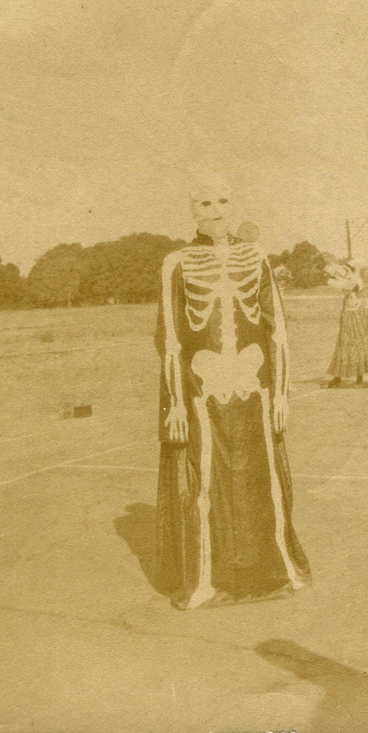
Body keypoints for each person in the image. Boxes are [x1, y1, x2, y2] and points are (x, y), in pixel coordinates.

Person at [154, 173, 311, 609]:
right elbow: (170, 336)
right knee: (205, 479)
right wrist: (175, 403)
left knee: (263, 477)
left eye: (223, 201)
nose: (216, 211)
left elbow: (277, 328)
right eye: (205, 203)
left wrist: (281, 393)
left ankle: (276, 570)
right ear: (193, 210)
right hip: (202, 388)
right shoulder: (176, 263)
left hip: (253, 385)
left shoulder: (256, 257)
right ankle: (208, 581)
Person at [324, 258, 368, 388]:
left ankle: (359, 378)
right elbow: (353, 287)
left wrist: (352, 271)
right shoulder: (333, 281)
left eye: (331, 268)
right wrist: (355, 272)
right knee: (345, 343)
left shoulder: (349, 273)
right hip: (350, 313)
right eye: (328, 271)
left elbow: (357, 285)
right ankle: (338, 377)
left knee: (361, 342)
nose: (331, 271)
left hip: (363, 311)